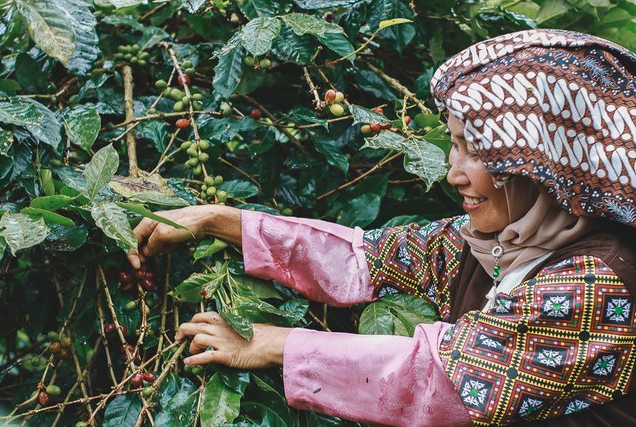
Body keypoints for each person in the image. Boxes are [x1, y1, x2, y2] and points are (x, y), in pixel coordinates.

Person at [127, 29, 636, 426]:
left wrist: (273, 343)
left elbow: (448, 380)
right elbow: (361, 258)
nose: (453, 172)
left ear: (540, 160)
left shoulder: (599, 279)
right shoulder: (489, 243)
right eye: (454, 145)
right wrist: (215, 220)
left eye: (476, 150)